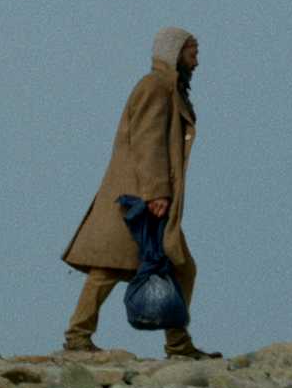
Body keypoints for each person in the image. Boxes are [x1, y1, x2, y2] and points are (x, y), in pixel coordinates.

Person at [61, 26, 218, 359]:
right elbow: (148, 141)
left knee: (175, 267)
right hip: (137, 199)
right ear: (176, 52)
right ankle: (78, 337)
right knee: (112, 267)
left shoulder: (168, 88)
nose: (197, 62)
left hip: (145, 198)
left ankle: (177, 344)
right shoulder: (155, 87)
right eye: (192, 53)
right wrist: (156, 191)